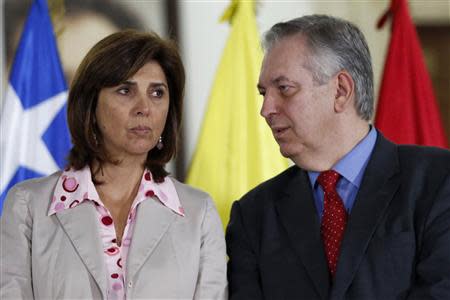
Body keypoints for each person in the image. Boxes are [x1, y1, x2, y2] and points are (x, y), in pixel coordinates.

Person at [226, 15, 450, 299]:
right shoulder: (253, 215)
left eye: (284, 89)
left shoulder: (438, 182)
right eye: (263, 93)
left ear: (341, 91)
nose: (266, 109)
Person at [0, 30, 228, 299]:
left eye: (157, 92)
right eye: (125, 90)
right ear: (90, 105)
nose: (144, 107)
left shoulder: (198, 213)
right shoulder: (29, 206)